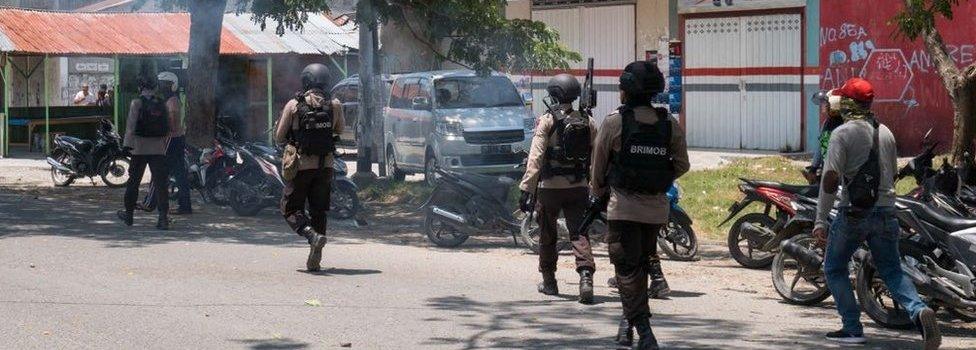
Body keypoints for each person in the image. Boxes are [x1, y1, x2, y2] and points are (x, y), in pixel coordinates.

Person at [813, 77, 941, 349]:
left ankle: (852, 328)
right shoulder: (886, 132)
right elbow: (892, 174)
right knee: (892, 270)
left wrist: (820, 221)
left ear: (845, 103)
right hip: (887, 212)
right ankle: (918, 310)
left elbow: (829, 180)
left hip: (854, 213)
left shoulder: (841, 134)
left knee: (834, 268)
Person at [591, 61, 689, 350]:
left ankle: (644, 330)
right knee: (641, 267)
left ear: (627, 91)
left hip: (623, 209)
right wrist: (657, 176)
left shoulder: (614, 122)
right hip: (656, 210)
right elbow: (682, 164)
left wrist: (598, 194)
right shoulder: (668, 123)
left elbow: (597, 169)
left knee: (625, 267)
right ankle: (626, 323)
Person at [517, 73, 597, 303]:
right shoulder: (587, 120)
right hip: (579, 187)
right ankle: (585, 277)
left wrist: (527, 188)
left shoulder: (547, 120)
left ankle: (550, 282)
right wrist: (595, 186)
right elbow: (597, 156)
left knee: (547, 235)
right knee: (579, 233)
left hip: (549, 188)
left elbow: (536, 157)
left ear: (553, 93)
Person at [275, 63, 344, 272]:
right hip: (326, 167)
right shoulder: (334, 104)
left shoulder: (294, 105)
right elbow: (340, 130)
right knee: (319, 211)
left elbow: (279, 136)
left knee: (290, 208)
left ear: (306, 81)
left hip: (301, 166)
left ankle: (310, 234)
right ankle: (316, 257)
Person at [117, 77, 170, 230]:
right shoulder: (162, 104)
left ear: (140, 88)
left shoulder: (136, 103)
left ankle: (129, 215)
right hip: (158, 149)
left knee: (133, 182)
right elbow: (168, 126)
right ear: (155, 88)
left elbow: (130, 126)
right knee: (161, 185)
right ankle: (163, 219)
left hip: (139, 149)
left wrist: (126, 146)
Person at [158, 71, 192, 214]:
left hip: (171, 140)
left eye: (164, 84)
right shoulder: (173, 100)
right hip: (176, 139)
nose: (161, 86)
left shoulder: (172, 101)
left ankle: (159, 205)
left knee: (164, 172)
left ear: (172, 85)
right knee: (179, 173)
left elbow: (171, 125)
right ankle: (184, 205)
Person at [803, 90, 844, 183]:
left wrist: (813, 168)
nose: (822, 105)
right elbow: (821, 147)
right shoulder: (828, 122)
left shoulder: (834, 124)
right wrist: (814, 168)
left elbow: (821, 148)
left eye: (825, 103)